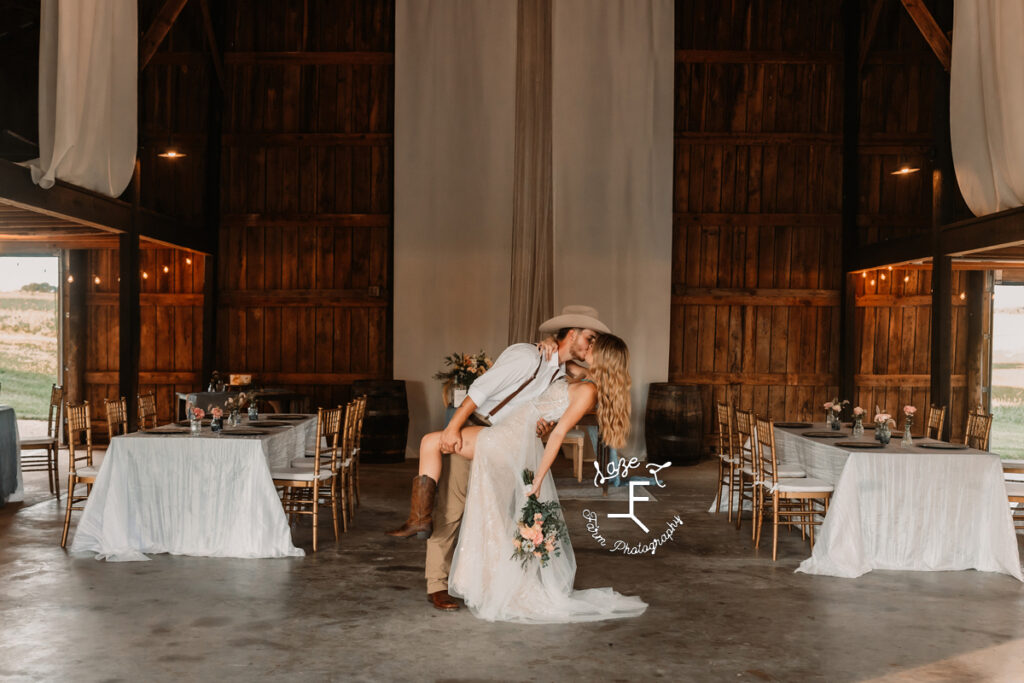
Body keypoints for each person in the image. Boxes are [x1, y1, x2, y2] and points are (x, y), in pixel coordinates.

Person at [394, 333, 648, 623]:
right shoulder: (562, 368)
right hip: (501, 434)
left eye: (594, 345)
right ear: (573, 336)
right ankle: (473, 576)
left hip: (504, 438)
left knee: (431, 444)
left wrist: (539, 477)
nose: (589, 346)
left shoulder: (587, 390)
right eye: (589, 340)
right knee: (488, 513)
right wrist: (550, 340)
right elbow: (560, 370)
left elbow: (558, 435)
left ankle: (420, 520)